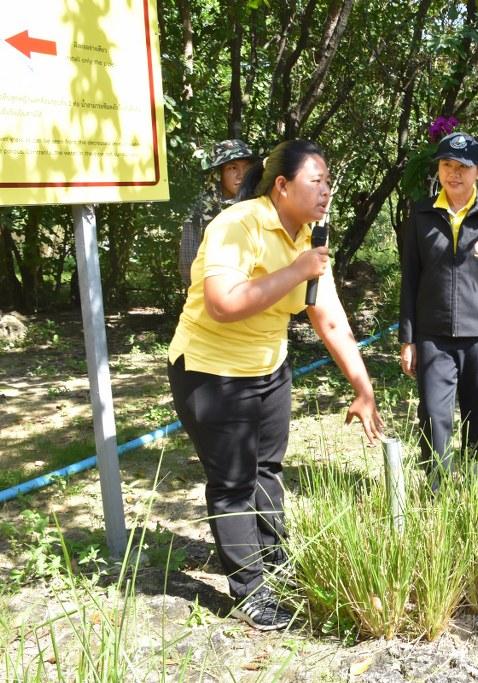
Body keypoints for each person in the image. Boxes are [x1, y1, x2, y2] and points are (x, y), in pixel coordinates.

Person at [167, 139, 385, 631]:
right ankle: (252, 594)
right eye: (317, 180)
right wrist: (295, 271)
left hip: (270, 369)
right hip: (211, 372)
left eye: (329, 181)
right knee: (234, 484)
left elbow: (329, 318)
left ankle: (277, 570)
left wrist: (363, 387)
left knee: (267, 471)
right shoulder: (238, 224)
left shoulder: (308, 236)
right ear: (282, 186)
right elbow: (222, 302)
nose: (327, 190)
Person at [399, 131, 478, 484]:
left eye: (463, 167)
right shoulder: (422, 214)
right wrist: (407, 340)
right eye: (447, 165)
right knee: (434, 416)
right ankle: (436, 488)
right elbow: (410, 279)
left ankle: (475, 487)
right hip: (433, 336)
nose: (454, 173)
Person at [178, 138, 258, 286]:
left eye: (246, 168)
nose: (241, 175)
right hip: (211, 295)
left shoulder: (262, 205)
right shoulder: (200, 210)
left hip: (257, 294)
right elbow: (188, 263)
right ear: (218, 173)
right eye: (232, 168)